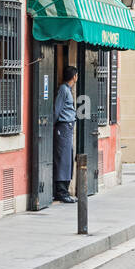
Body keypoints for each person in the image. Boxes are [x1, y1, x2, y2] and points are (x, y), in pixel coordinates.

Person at [53, 66, 78, 203]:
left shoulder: (68, 90)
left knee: (68, 158)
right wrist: (54, 125)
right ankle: (61, 192)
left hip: (68, 127)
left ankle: (65, 190)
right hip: (63, 127)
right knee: (63, 159)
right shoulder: (63, 89)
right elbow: (57, 108)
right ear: (74, 76)